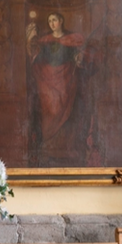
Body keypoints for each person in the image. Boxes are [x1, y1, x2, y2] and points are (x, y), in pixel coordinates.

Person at [26, 11, 93, 165]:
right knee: (51, 109)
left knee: (67, 110)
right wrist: (30, 41)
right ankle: (48, 146)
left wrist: (78, 58)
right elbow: (37, 59)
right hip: (48, 80)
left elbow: (78, 55)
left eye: (54, 20)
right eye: (49, 21)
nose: (52, 24)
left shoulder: (72, 39)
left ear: (61, 21)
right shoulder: (45, 40)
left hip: (66, 80)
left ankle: (63, 148)